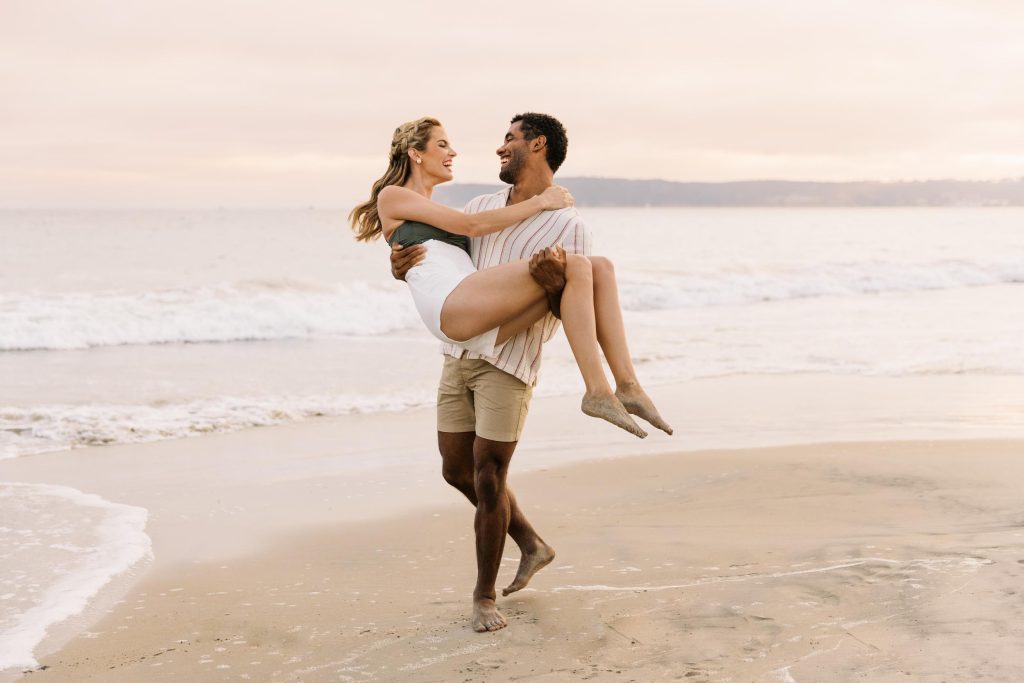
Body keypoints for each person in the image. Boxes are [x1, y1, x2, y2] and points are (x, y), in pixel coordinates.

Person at [355, 113, 671, 632]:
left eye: (509, 138)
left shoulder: (570, 225)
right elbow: (452, 251)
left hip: (510, 355)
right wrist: (397, 262)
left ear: (538, 145)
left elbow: (572, 302)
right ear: (417, 153)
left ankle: (485, 595)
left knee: (488, 474)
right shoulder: (474, 207)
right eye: (444, 145)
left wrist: (553, 281)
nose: (493, 148)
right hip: (461, 350)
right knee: (456, 470)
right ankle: (534, 537)